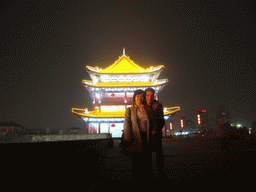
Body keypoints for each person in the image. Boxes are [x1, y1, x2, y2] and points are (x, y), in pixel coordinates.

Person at [123, 89, 156, 182]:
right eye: (138, 96)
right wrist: (128, 138)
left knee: (147, 159)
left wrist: (153, 133)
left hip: (147, 136)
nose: (140, 98)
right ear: (134, 98)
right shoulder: (130, 110)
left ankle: (148, 179)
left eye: (142, 96)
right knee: (136, 160)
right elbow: (127, 124)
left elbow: (153, 122)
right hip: (135, 137)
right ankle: (136, 179)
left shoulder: (148, 109)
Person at [145, 87, 166, 179]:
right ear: (145, 96)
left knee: (159, 153)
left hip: (156, 134)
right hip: (146, 134)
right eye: (148, 95)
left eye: (151, 95)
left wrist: (156, 130)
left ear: (154, 96)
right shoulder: (142, 106)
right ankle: (148, 172)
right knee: (147, 154)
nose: (149, 98)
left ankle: (160, 172)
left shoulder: (158, 106)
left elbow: (161, 120)